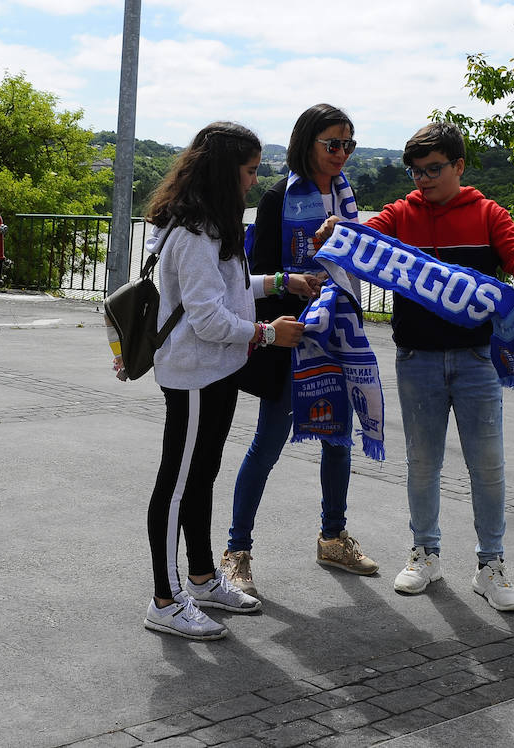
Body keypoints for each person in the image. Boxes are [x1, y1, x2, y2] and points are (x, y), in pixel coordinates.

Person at [323, 122, 514, 611]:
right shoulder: (401, 213)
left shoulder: (488, 212)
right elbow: (362, 239)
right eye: (416, 171)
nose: (422, 179)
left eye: (433, 169)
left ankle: (492, 565)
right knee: (422, 463)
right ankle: (425, 552)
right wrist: (338, 233)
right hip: (417, 358)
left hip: (476, 360)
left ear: (459, 166)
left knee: (487, 466)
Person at [141, 121, 315, 641]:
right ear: (224, 171)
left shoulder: (209, 223)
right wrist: (267, 333)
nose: (254, 180)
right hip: (195, 374)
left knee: (200, 476)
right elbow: (208, 320)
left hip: (213, 370)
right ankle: (165, 600)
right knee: (176, 484)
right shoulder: (195, 231)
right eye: (249, 169)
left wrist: (281, 281)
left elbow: (230, 289)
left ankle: (201, 578)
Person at [220, 104, 378, 598]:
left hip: (337, 334)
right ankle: (236, 550)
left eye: (349, 144)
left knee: (339, 438)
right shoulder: (276, 199)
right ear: (306, 143)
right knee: (268, 442)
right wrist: (291, 283)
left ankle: (333, 536)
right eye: (332, 143)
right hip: (291, 338)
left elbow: (362, 258)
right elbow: (252, 276)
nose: (342, 154)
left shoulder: (347, 199)